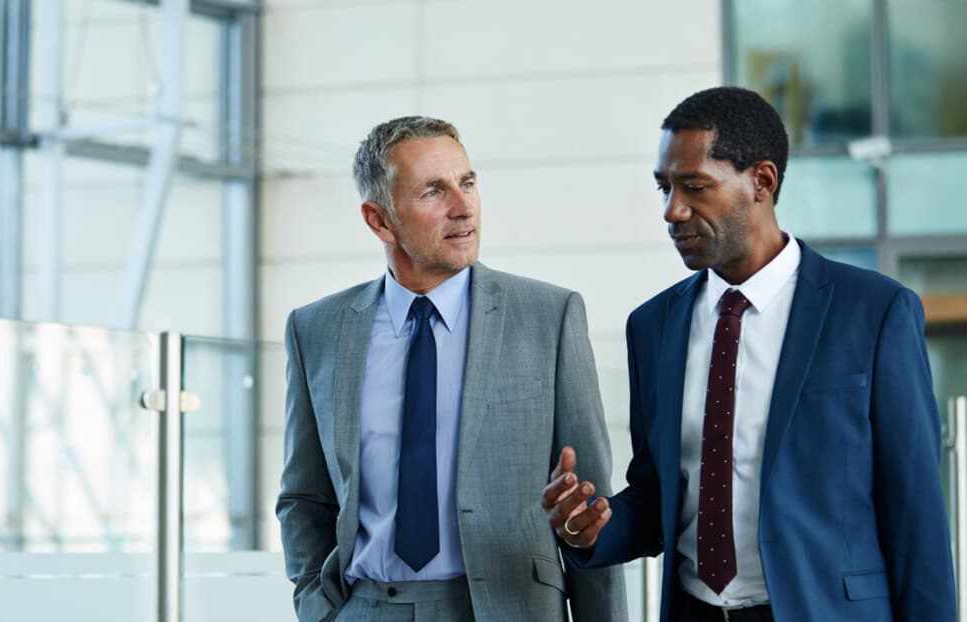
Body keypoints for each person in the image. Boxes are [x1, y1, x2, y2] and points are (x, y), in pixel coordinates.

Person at [541, 86, 956, 621]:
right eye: (664, 187)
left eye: (694, 187)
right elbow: (656, 497)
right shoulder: (652, 326)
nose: (672, 210)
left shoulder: (875, 313)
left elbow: (916, 516)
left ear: (762, 181)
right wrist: (591, 527)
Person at [277, 116, 627, 621]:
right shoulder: (316, 330)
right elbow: (303, 496)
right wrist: (318, 605)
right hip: (367, 607)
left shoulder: (549, 317)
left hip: (507, 608)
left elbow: (592, 505)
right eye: (433, 192)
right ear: (379, 220)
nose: (464, 208)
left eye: (467, 183)